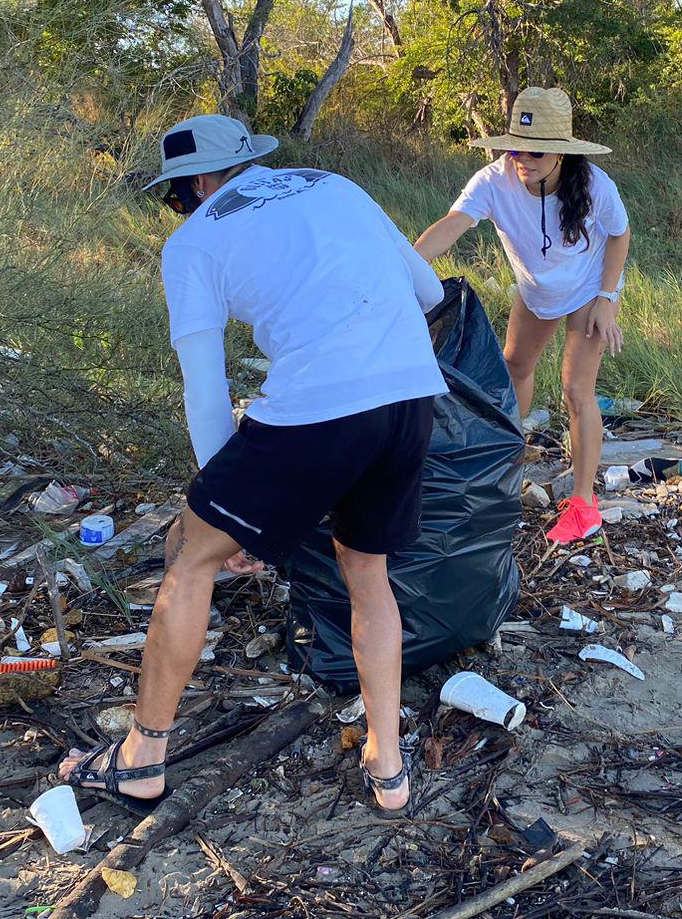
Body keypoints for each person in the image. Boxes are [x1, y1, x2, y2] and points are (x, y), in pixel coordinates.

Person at [59, 114, 446, 813]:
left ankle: (141, 758)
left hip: (322, 406)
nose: (180, 209)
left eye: (177, 196)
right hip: (411, 395)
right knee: (367, 572)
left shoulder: (194, 244)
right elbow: (429, 294)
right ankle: (389, 768)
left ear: (199, 183)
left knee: (191, 555)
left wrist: (220, 509)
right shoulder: (335, 185)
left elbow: (204, 388)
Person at [414, 86, 630, 544]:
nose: (521, 159)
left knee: (576, 388)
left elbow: (619, 235)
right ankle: (507, 460)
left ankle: (584, 505)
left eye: (534, 151)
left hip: (590, 289)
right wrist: (406, 268)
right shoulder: (493, 181)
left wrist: (609, 297)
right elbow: (453, 224)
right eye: (514, 146)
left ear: (560, 154)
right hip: (538, 290)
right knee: (515, 366)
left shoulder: (594, 185)